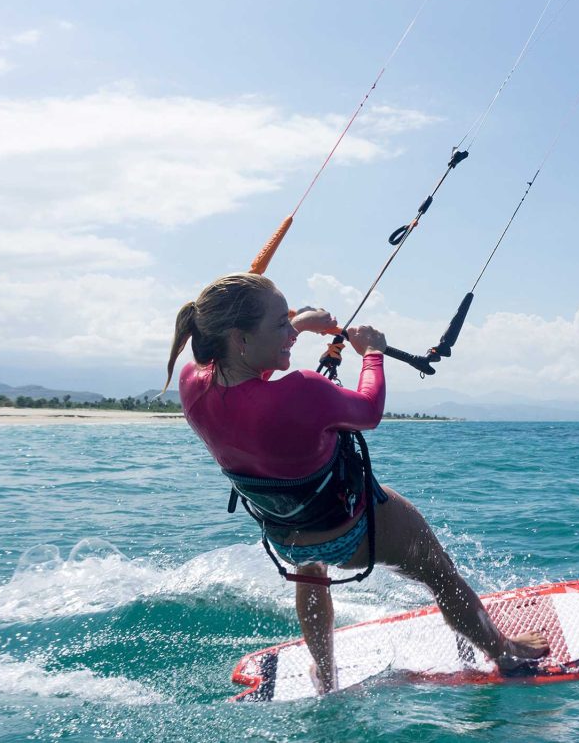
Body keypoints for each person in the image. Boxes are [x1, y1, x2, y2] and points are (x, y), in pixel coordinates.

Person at [165, 272, 548, 693]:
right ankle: (504, 652)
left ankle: (326, 673)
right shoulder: (302, 391)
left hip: (286, 535)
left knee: (311, 574)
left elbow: (240, 374)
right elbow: (368, 411)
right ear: (239, 339)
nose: (288, 334)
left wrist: (299, 325)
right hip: (349, 528)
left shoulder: (191, 385)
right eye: (279, 324)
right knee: (437, 570)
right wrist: (372, 353)